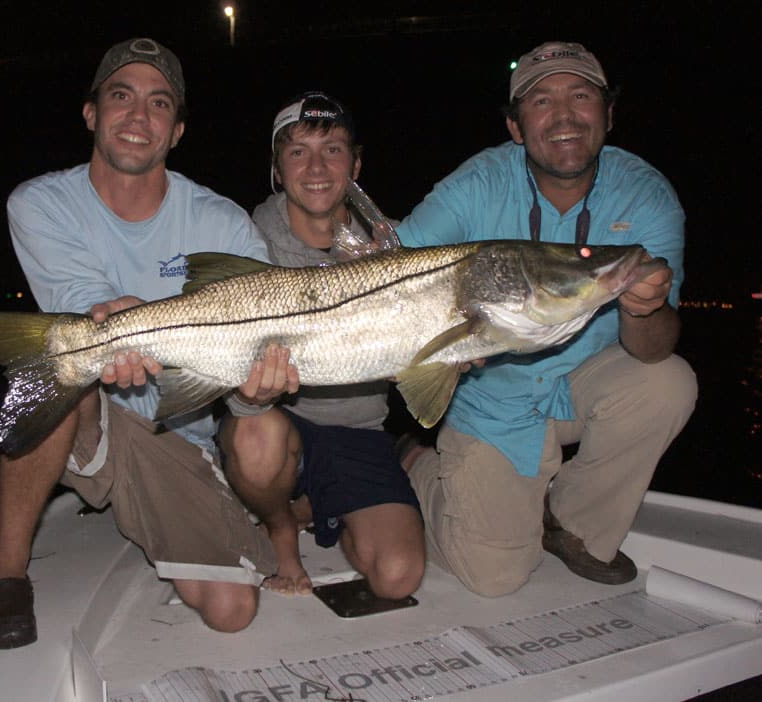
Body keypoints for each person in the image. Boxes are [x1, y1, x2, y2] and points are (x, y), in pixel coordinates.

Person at [0, 38, 291, 649]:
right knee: (57, 358)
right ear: (92, 113)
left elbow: (259, 338)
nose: (139, 117)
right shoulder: (39, 203)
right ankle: (6, 571)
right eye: (122, 97)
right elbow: (86, 303)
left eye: (159, 104)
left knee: (232, 611)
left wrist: (253, 387)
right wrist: (117, 321)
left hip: (172, 433)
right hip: (86, 410)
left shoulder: (221, 223)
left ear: (178, 129)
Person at [396, 42, 697, 597]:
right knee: (495, 578)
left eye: (580, 96)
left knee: (668, 381)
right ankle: (415, 461)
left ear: (609, 113)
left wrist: (644, 307)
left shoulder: (647, 197)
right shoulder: (477, 185)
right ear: (515, 126)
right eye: (541, 101)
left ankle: (570, 523)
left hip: (583, 383)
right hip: (495, 398)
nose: (563, 115)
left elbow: (653, 348)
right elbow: (393, 267)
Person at [218, 92, 425, 597]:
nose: (315, 166)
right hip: (276, 427)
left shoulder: (394, 246)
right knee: (255, 436)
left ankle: (333, 500)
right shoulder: (245, 243)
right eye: (297, 151)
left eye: (332, 149)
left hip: (359, 429)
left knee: (398, 577)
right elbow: (224, 380)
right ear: (276, 168)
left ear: (355, 163)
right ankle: (281, 525)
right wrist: (249, 398)